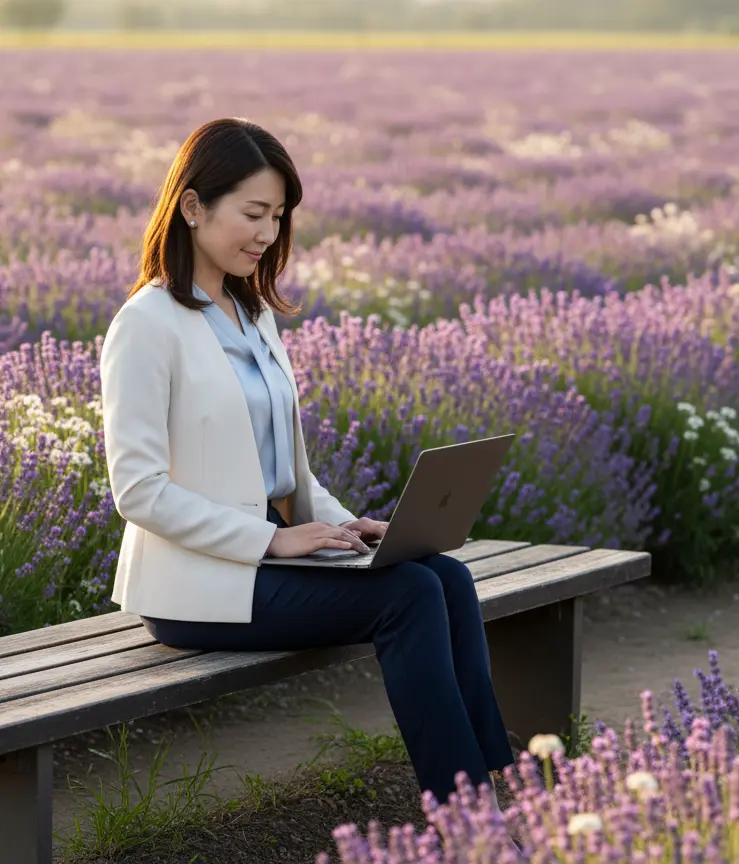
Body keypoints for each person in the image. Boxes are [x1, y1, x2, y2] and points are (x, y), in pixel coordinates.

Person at [99, 117, 517, 815]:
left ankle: (502, 789)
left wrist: (342, 525)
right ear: (194, 206)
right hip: (196, 585)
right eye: (253, 213)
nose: (266, 234)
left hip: (262, 565)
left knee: (444, 575)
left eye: (278, 217)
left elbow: (285, 472)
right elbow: (138, 491)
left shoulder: (251, 313)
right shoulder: (145, 325)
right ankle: (467, 822)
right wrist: (272, 539)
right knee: (407, 597)